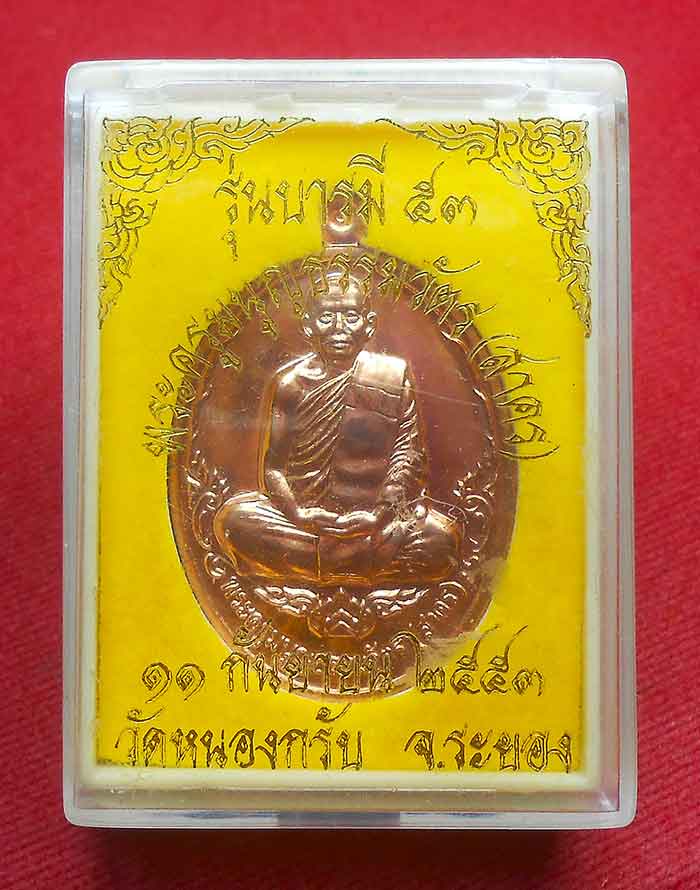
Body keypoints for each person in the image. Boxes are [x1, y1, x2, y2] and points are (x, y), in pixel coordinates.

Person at [214, 274, 461, 586]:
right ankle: (359, 564)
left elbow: (408, 457)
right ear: (309, 326)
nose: (339, 328)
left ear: (369, 325)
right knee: (235, 522)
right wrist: (299, 514)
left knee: (442, 540)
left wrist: (380, 515)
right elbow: (274, 469)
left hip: (376, 523)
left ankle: (316, 565)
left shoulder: (390, 377)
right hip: (306, 523)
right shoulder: (291, 386)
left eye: (351, 316)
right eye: (326, 317)